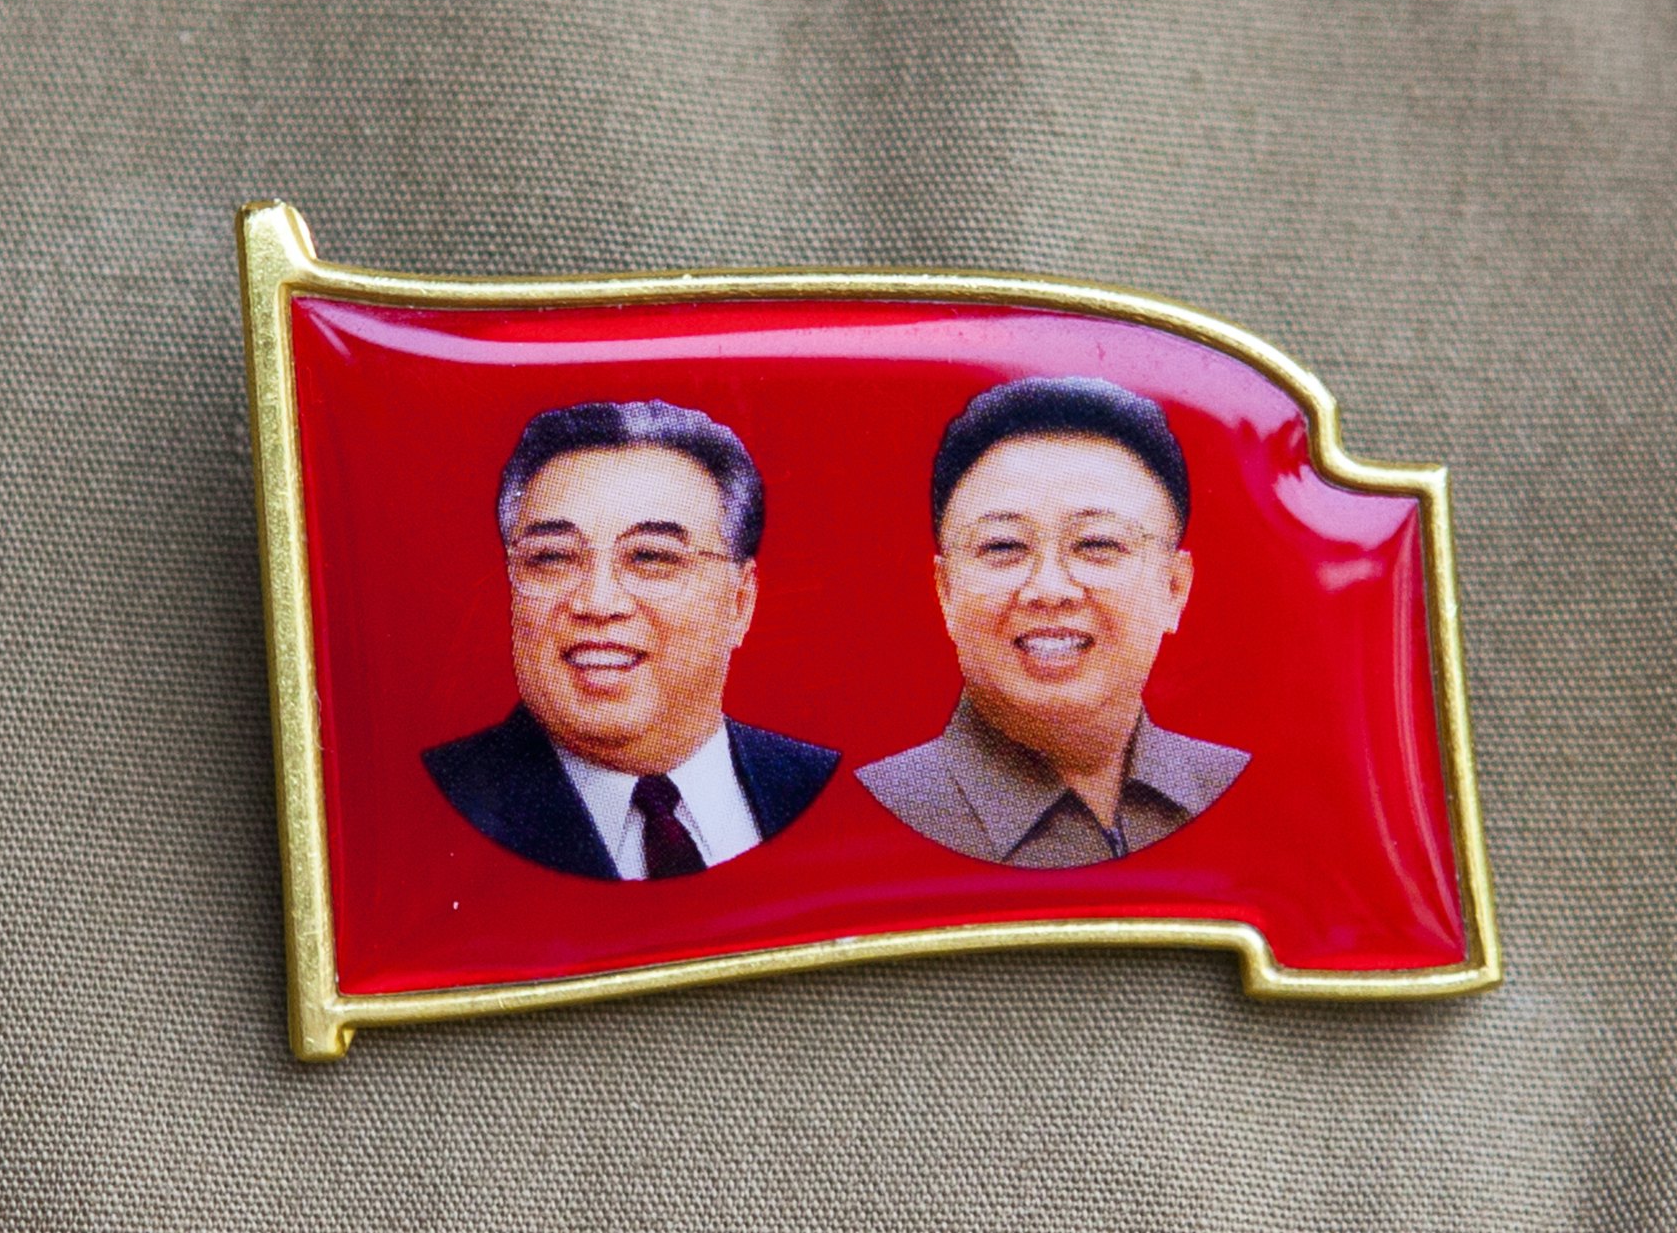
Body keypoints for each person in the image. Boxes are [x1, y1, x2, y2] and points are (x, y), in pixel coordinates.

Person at [420, 399, 840, 880]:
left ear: (740, 602)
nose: (597, 603)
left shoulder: (819, 787)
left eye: (650, 557)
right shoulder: (439, 809)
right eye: (553, 558)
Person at [856, 376, 1247, 868]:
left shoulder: (1245, 796)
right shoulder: (872, 816)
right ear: (946, 591)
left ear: (1174, 588)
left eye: (1097, 544)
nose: (1049, 590)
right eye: (1003, 546)